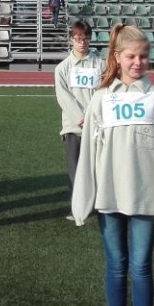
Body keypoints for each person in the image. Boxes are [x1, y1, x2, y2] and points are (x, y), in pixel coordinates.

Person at [71, 24, 154, 306]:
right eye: (131, 56)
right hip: (109, 198)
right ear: (116, 58)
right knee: (116, 267)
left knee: (141, 268)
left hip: (146, 200)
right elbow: (88, 155)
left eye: (144, 57)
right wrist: (83, 200)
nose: (138, 62)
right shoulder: (101, 99)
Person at [53, 20, 103, 220]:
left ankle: (98, 205)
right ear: (71, 40)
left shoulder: (100, 64)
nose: (82, 43)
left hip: (98, 126)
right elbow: (63, 97)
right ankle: (78, 209)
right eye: (78, 39)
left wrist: (94, 117)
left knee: (97, 168)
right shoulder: (62, 68)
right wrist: (81, 118)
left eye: (86, 39)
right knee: (75, 170)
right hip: (73, 127)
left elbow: (105, 92)